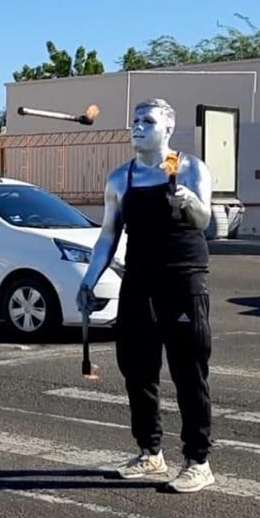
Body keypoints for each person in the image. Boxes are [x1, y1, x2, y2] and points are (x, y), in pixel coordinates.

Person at [78, 98, 215, 494]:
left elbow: (205, 220)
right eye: (135, 120)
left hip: (183, 280)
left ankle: (198, 461)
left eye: (148, 121)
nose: (138, 127)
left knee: (189, 371)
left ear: (168, 129)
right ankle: (150, 452)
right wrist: (89, 280)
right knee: (137, 370)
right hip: (139, 281)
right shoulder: (122, 178)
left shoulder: (187, 168)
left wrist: (188, 202)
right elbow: (108, 235)